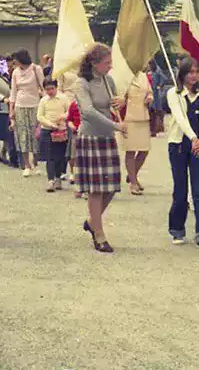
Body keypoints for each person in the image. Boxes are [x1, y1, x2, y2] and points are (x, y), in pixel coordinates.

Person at [73, 43, 127, 253]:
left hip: (107, 137)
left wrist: (120, 103)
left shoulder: (108, 80)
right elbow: (87, 112)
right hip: (91, 138)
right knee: (96, 189)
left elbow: (112, 106)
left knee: (112, 186)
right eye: (107, 63)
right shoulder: (81, 83)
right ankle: (99, 234)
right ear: (94, 64)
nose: (110, 67)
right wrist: (116, 126)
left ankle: (91, 221)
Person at [164, 57, 199, 249]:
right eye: (190, 72)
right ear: (183, 74)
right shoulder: (174, 93)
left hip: (198, 147)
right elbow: (179, 118)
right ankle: (177, 229)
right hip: (179, 144)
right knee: (180, 189)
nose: (194, 76)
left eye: (197, 72)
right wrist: (193, 137)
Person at [9, 49, 43, 177]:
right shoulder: (15, 72)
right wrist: (11, 110)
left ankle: (35, 163)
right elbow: (13, 92)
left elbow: (43, 86)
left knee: (35, 134)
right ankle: (26, 165)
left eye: (16, 59)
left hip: (34, 104)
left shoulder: (36, 69)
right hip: (20, 105)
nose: (14, 62)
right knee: (22, 134)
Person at [121, 61, 153, 194]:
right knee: (130, 150)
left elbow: (150, 91)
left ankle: (132, 174)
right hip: (129, 118)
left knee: (144, 150)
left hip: (143, 117)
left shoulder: (143, 76)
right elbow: (118, 95)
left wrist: (150, 97)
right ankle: (133, 182)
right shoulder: (123, 77)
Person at [37, 76, 72, 192]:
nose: (50, 91)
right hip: (47, 130)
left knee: (60, 156)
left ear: (56, 88)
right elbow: (40, 116)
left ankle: (58, 178)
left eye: (52, 88)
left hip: (61, 130)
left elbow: (70, 111)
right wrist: (50, 124)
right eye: (47, 89)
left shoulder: (63, 98)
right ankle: (50, 181)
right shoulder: (43, 100)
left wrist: (63, 117)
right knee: (49, 157)